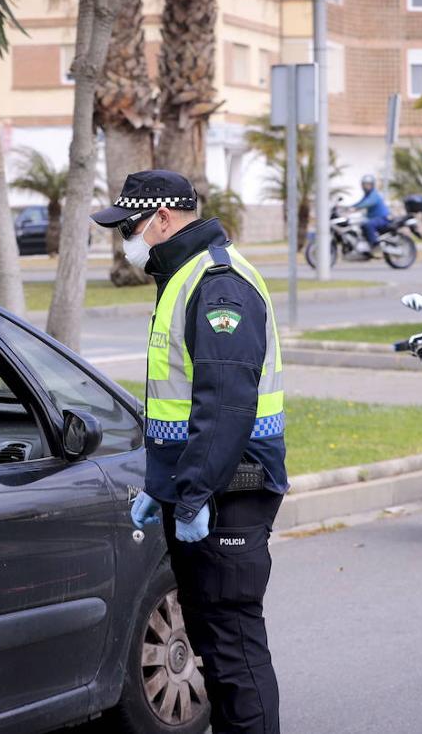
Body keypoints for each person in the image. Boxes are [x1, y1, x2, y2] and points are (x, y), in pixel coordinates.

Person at [92, 170, 287, 734]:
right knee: (213, 643)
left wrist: (195, 491)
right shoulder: (182, 275)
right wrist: (164, 487)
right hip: (202, 493)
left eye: (129, 227)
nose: (125, 239)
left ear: (162, 219)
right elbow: (183, 405)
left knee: (233, 648)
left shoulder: (217, 282)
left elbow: (225, 405)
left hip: (230, 493)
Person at [351, 173, 391, 254]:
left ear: (372, 185)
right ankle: (366, 246)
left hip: (382, 218)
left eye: (368, 184)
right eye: (365, 184)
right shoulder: (367, 195)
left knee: (368, 224)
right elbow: (360, 202)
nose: (366, 186)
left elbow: (368, 203)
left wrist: (356, 208)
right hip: (373, 218)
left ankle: (375, 245)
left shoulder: (374, 194)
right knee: (362, 225)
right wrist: (348, 207)